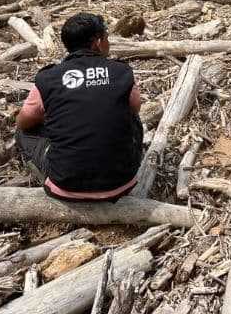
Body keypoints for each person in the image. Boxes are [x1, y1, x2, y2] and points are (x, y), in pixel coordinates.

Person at [15, 12, 143, 200]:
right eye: (107, 37)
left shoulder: (48, 78)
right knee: (131, 115)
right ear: (98, 42)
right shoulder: (121, 72)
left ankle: (46, 171)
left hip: (66, 186)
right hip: (122, 182)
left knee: (22, 134)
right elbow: (135, 109)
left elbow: (23, 122)